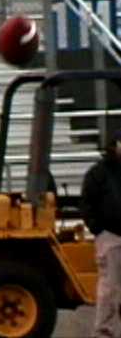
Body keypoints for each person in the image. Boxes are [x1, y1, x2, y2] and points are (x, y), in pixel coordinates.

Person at [81, 128, 121, 338]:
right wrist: (97, 228)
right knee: (109, 288)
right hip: (110, 235)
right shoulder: (98, 173)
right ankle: (104, 332)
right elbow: (87, 202)